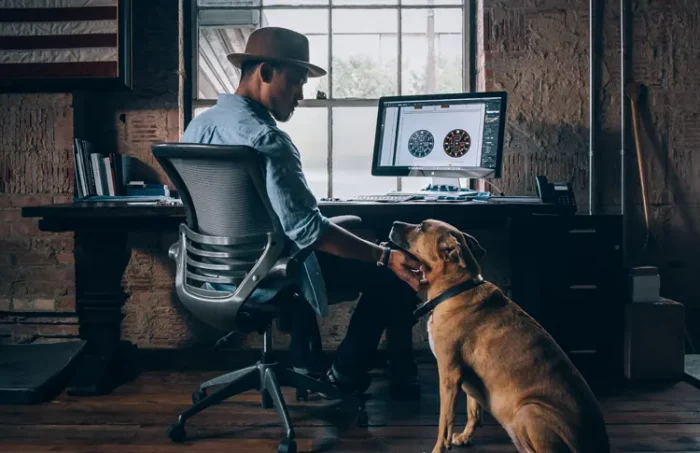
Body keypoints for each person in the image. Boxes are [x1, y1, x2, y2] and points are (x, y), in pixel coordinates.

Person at [181, 26, 422, 398]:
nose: (301, 96)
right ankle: (346, 376)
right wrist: (386, 257)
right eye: (295, 82)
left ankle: (305, 359)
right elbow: (309, 231)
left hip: (212, 274)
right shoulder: (268, 140)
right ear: (263, 73)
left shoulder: (197, 128)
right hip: (264, 277)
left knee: (355, 226)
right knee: (391, 269)